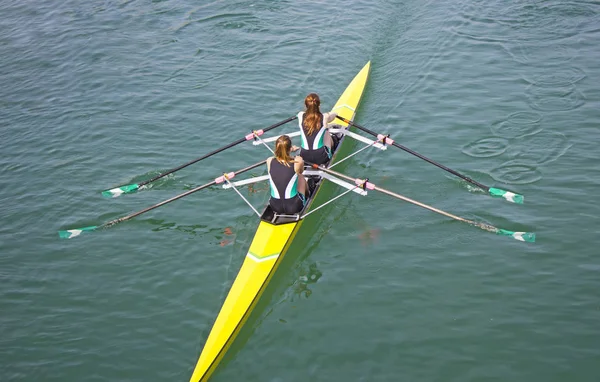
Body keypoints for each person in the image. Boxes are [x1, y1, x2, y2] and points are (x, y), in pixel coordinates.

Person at [267, 135, 307, 214]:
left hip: (275, 206)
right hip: (293, 207)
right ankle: (308, 195)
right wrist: (292, 151)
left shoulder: (269, 161)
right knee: (300, 176)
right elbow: (301, 171)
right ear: (290, 148)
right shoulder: (298, 161)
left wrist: (288, 150)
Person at [298, 93, 338, 165]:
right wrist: (335, 113)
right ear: (319, 105)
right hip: (321, 157)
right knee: (326, 132)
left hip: (304, 157)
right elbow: (333, 116)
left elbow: (308, 115)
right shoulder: (324, 117)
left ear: (305, 105)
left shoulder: (300, 115)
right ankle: (333, 147)